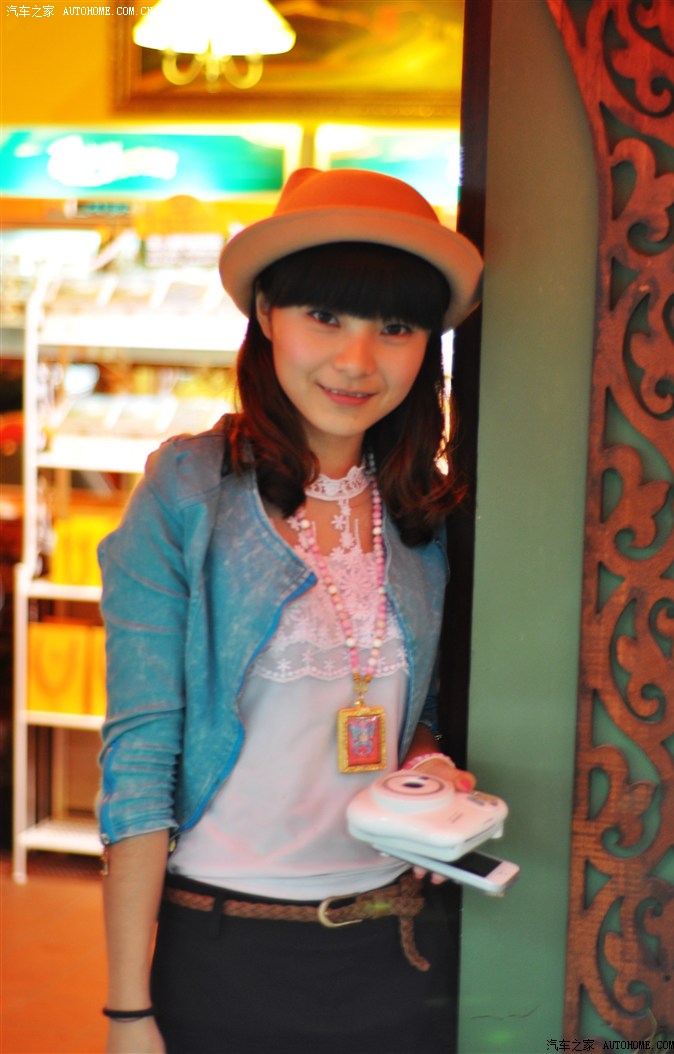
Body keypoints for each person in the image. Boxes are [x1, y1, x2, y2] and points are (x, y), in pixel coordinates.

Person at [98, 166, 483, 1054]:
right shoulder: (188, 493)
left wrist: (427, 761)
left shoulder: (425, 512)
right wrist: (127, 1010)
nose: (357, 361)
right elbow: (141, 753)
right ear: (267, 313)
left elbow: (416, 710)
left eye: (395, 328)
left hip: (399, 949)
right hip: (223, 951)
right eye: (326, 316)